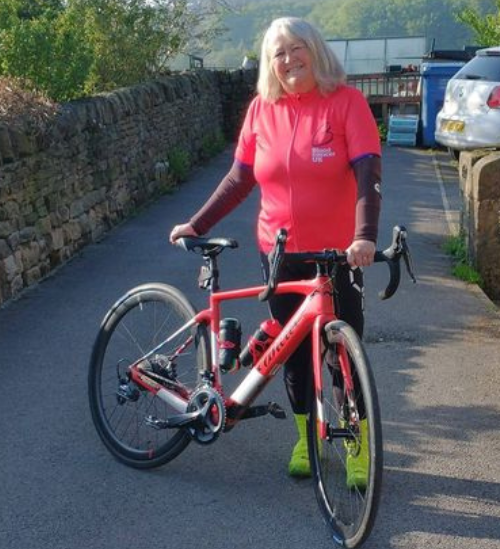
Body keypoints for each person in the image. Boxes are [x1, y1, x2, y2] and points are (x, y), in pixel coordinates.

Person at [169, 17, 382, 488]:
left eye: (296, 48)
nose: (288, 60)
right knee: (292, 354)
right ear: (270, 64)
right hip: (280, 255)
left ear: (316, 51)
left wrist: (364, 236)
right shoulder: (262, 110)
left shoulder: (346, 103)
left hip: (338, 255)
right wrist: (197, 224)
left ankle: (357, 445)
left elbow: (369, 174)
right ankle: (306, 438)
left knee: (342, 353)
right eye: (278, 53)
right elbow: (239, 179)